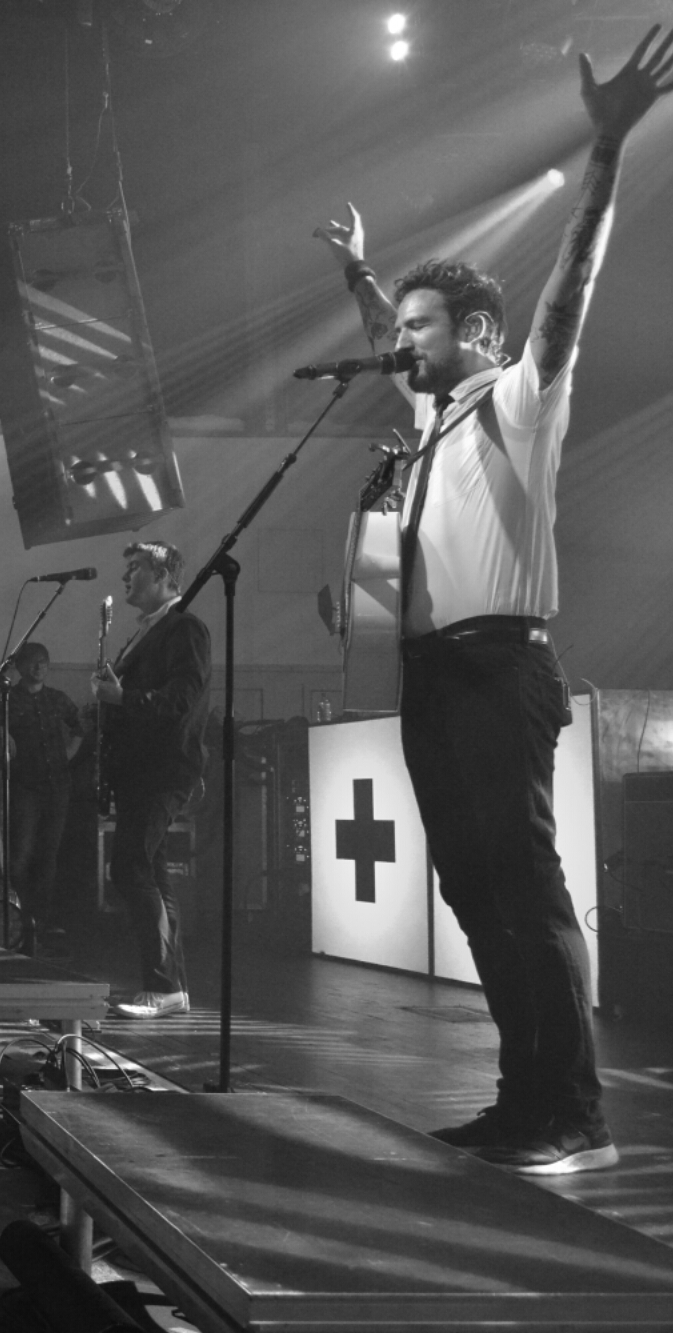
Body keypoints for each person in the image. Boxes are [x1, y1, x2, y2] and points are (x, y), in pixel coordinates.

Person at [311, 27, 673, 1175]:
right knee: (471, 890)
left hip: (498, 666)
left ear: (474, 334)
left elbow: (568, 294)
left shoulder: (518, 396)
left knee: (522, 883)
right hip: (430, 673)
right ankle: (524, 1100)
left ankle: (575, 1114)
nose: (397, 344)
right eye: (398, 328)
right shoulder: (428, 420)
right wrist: (359, 275)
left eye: (418, 328)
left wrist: (603, 155)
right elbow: (382, 330)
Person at [90, 541, 210, 1021]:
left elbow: (181, 700)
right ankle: (170, 989)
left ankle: (163, 987)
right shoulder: (150, 631)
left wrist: (123, 698)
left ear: (163, 576)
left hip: (163, 768)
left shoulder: (185, 628)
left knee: (130, 867)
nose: (126, 577)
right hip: (143, 768)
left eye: (136, 568)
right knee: (152, 872)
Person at [1, 643, 82, 951]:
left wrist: (68, 754)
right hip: (25, 786)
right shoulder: (8, 699)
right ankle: (19, 919)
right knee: (20, 856)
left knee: (48, 856)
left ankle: (41, 922)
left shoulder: (57, 699)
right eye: (33, 663)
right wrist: (3, 735)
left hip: (57, 786)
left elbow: (81, 726)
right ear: (21, 667)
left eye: (44, 662)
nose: (39, 668)